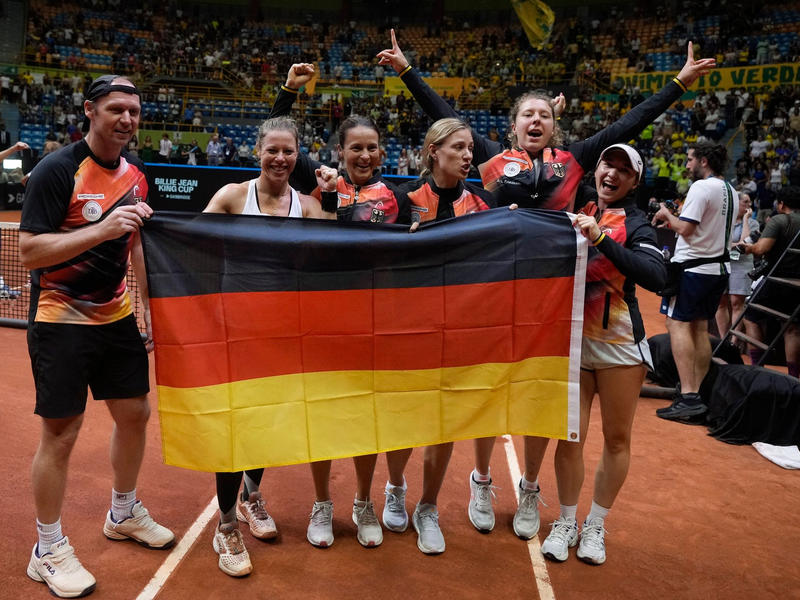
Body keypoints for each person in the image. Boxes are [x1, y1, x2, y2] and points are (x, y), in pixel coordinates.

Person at [379, 30, 715, 535]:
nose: (536, 121)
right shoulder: (490, 159)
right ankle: (482, 480)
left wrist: (679, 83)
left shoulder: (574, 160)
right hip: (496, 295)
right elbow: (443, 117)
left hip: (552, 303)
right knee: (488, 391)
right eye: (527, 115)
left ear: (556, 125)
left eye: (544, 115)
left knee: (540, 398)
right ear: (513, 126)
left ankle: (531, 487)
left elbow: (630, 123)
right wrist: (407, 72)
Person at [19, 75, 174, 599]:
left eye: (134, 110)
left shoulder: (137, 173)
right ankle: (46, 548)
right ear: (90, 110)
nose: (127, 119)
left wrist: (147, 305)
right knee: (61, 434)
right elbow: (30, 252)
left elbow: (136, 245)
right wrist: (103, 228)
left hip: (116, 317)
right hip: (60, 319)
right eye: (116, 109)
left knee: (135, 414)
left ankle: (123, 513)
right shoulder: (57, 170)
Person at [270, 63, 412, 549]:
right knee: (324, 415)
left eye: (372, 148)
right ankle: (322, 503)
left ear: (381, 153)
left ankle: (364, 501)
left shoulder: (397, 199)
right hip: (325, 320)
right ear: (340, 152)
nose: (364, 155)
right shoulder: (321, 182)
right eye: (356, 148)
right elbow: (279, 137)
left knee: (369, 417)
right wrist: (290, 90)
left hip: (375, 322)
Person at [203, 116, 337, 577]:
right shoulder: (232, 196)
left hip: (282, 335)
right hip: (236, 333)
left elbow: (332, 247)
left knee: (266, 423)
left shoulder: (308, 205)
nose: (280, 159)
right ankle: (225, 525)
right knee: (234, 429)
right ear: (257, 151)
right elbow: (191, 241)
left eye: (288, 151)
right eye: (272, 150)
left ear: (299, 154)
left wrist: (331, 194)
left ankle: (251, 497)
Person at [539, 144, 665, 565]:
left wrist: (600, 237)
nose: (612, 173)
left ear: (635, 181)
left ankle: (595, 524)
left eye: (623, 170)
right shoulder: (580, 204)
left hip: (620, 347)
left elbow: (656, 276)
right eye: (608, 164)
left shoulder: (638, 223)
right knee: (570, 436)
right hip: (575, 344)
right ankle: (566, 520)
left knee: (616, 438)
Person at [379, 118, 495, 554]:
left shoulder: (483, 204)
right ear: (433, 151)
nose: (468, 155)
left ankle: (428, 507)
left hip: (459, 330)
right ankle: (395, 488)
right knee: (404, 418)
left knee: (444, 423)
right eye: (458, 147)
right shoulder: (403, 199)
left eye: (470, 149)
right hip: (409, 328)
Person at [655, 143, 738, 421]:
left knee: (676, 324)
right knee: (700, 328)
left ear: (704, 160)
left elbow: (686, 229)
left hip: (694, 269)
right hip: (718, 268)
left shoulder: (701, 188)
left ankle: (688, 396)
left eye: (690, 160)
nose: (688, 165)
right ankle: (699, 395)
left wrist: (666, 215)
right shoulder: (731, 190)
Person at [742, 186, 800, 377]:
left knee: (750, 317)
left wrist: (749, 248)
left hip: (777, 279)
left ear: (781, 204)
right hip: (798, 283)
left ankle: (757, 369)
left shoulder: (779, 219)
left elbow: (762, 248)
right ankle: (793, 378)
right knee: (792, 328)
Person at [715, 193, 759, 341]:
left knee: (736, 303)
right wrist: (734, 245)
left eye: (750, 202)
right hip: (722, 262)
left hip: (742, 264)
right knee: (720, 302)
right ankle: (723, 341)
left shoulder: (753, 223)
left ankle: (733, 343)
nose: (749, 205)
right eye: (745, 202)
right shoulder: (723, 220)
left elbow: (745, 245)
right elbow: (718, 243)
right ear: (735, 202)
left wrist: (745, 220)